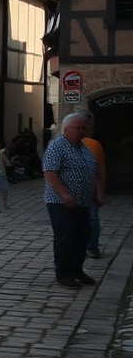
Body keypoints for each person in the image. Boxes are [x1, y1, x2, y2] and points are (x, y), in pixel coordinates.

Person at [43, 112, 104, 289]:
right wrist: (64, 194)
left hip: (83, 202)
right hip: (60, 202)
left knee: (82, 236)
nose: (82, 131)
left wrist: (98, 192)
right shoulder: (57, 146)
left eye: (84, 128)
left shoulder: (83, 148)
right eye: (78, 128)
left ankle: (77, 270)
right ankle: (63, 273)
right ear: (67, 128)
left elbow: (95, 170)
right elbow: (50, 172)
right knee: (65, 237)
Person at [79, 110, 106, 260]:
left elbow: (101, 169)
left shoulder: (94, 145)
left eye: (87, 125)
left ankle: (92, 246)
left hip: (91, 189)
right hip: (72, 192)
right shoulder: (64, 143)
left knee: (92, 218)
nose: (83, 129)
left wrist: (100, 191)